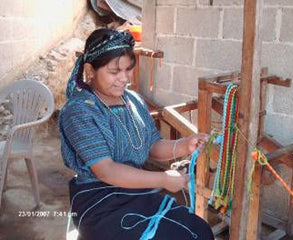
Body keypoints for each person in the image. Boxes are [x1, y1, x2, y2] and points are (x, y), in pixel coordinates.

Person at [59, 28, 214, 240]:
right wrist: (163, 180)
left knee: (200, 231)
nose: (124, 78)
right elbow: (107, 171)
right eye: (114, 72)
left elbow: (152, 146)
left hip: (136, 193)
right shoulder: (79, 111)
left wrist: (184, 145)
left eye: (128, 69)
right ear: (90, 70)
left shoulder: (133, 101)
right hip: (100, 204)